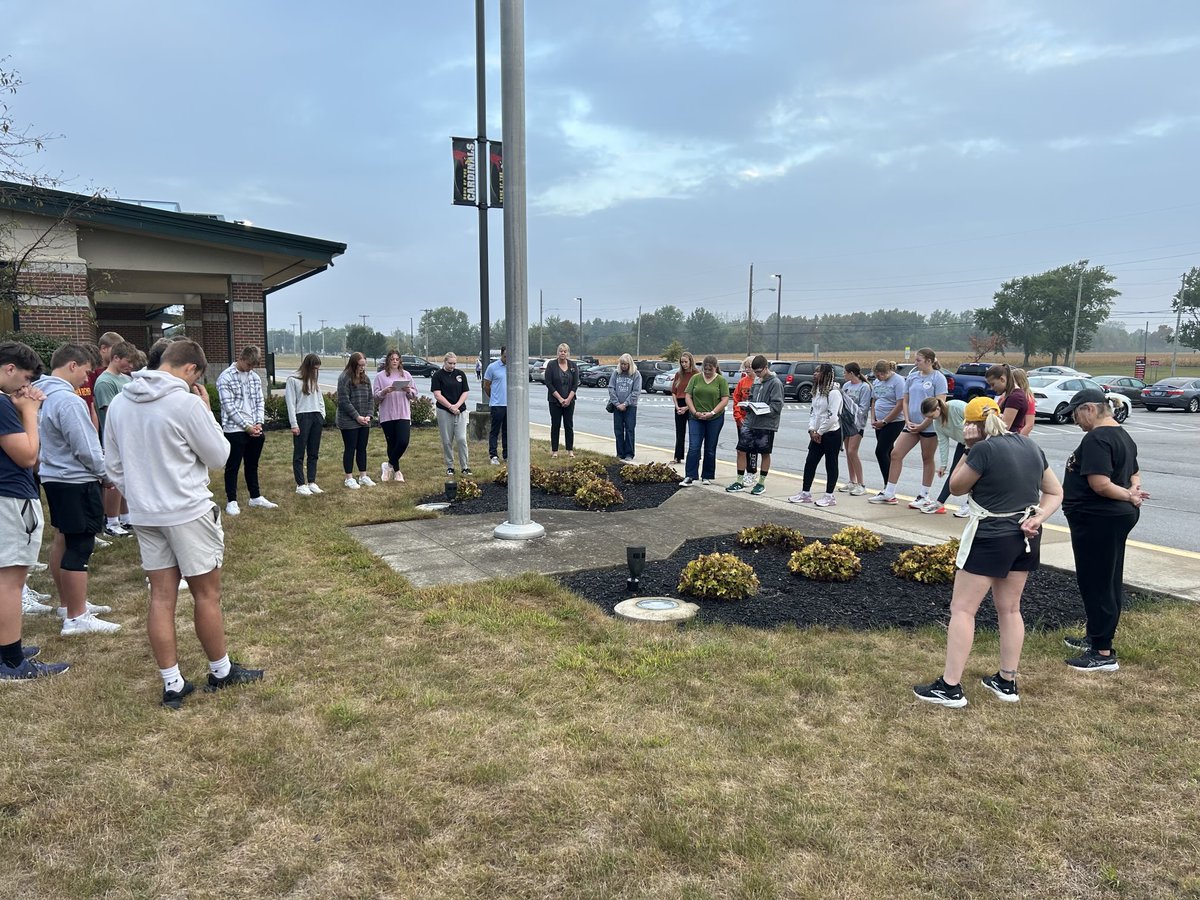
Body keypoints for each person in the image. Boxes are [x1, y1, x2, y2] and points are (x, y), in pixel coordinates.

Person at [104, 338, 264, 708]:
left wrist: (141, 495)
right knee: (206, 594)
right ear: (191, 369)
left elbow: (111, 465)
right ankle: (221, 671)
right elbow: (219, 455)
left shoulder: (122, 401)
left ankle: (172, 682)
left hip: (146, 514)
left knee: (160, 597)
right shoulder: (187, 404)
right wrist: (207, 410)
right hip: (188, 511)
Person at [913, 397, 1063, 707]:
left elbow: (955, 487)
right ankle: (1006, 681)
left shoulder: (982, 449)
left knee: (963, 609)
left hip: (991, 535)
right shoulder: (1029, 445)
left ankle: (950, 686)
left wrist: (967, 449)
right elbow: (1054, 491)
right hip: (1026, 532)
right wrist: (1038, 518)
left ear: (971, 425)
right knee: (1009, 609)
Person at [1059, 388, 1148, 672]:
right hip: (1109, 517)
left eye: (1075, 414)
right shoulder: (1121, 434)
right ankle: (1096, 635)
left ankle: (1102, 652)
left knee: (1097, 581)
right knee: (1107, 576)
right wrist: (1133, 488)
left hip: (1098, 517)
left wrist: (1129, 495)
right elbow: (1134, 471)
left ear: (1089, 409)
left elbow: (1100, 484)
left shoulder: (1097, 437)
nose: (1076, 421)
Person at [35, 343, 119, 636]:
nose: (87, 379)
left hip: (54, 477)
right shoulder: (68, 401)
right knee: (80, 545)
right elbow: (86, 447)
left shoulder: (40, 394)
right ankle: (77, 617)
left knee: (63, 538)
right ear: (72, 365)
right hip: (74, 480)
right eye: (85, 371)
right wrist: (106, 475)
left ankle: (69, 604)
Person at [0, 341, 71, 682]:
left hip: (7, 497)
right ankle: (11, 661)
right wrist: (30, 412)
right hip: (11, 498)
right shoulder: (1, 404)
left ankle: (5, 649)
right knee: (11, 581)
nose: (28, 388)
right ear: (9, 369)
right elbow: (28, 456)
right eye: (25, 378)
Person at [870, 349, 947, 508]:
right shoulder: (912, 377)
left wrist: (922, 425)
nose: (915, 363)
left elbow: (939, 404)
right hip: (911, 424)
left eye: (918, 360)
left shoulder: (938, 378)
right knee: (896, 454)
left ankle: (924, 495)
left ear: (929, 361)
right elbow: (905, 401)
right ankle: (889, 492)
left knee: (927, 458)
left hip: (929, 426)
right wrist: (907, 420)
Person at [217, 346, 277, 515]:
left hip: (254, 428)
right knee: (233, 466)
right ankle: (232, 500)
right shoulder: (225, 378)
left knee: (252, 464)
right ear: (241, 358)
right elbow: (229, 407)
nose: (251, 369)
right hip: (234, 429)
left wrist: (258, 422)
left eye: (254, 366)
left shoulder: (255, 378)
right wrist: (246, 427)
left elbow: (259, 402)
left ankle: (255, 497)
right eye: (249, 365)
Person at [93, 340, 137, 535]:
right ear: (115, 358)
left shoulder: (126, 380)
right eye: (127, 361)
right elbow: (111, 412)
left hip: (129, 438)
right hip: (114, 439)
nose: (131, 366)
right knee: (113, 483)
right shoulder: (105, 382)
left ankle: (126, 518)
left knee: (127, 480)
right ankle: (111, 522)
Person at [728, 354, 782, 496]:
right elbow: (751, 398)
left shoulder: (775, 383)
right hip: (750, 422)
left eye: (759, 372)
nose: (757, 375)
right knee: (741, 450)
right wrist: (748, 406)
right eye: (755, 372)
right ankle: (739, 481)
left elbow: (777, 406)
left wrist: (762, 409)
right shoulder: (757, 381)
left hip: (766, 424)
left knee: (764, 452)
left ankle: (761, 483)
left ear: (766, 368)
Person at [790, 362, 843, 507]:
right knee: (810, 462)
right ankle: (805, 492)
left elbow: (832, 417)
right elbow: (814, 412)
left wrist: (819, 432)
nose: (815, 374)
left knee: (831, 464)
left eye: (818, 372)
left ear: (826, 375)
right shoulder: (817, 391)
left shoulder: (833, 393)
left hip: (831, 434)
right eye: (815, 371)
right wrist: (812, 429)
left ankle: (829, 496)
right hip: (816, 434)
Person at [680, 354, 729, 486]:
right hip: (696, 417)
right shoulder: (695, 379)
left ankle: (707, 475)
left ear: (715, 368)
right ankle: (690, 475)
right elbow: (688, 396)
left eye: (710, 370)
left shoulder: (721, 381)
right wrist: (694, 411)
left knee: (710, 447)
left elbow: (725, 399)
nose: (707, 372)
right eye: (705, 370)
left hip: (714, 418)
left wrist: (712, 412)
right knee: (694, 446)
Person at [917, 396, 970, 517]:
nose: (930, 419)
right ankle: (940, 503)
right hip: (963, 443)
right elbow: (943, 442)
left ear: (937, 408)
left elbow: (976, 422)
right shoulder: (937, 423)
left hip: (980, 442)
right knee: (954, 471)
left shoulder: (956, 406)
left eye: (931, 416)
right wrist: (943, 465)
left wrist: (970, 446)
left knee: (974, 473)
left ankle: (969, 505)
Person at [374, 349, 419, 481]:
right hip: (387, 414)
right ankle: (397, 471)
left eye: (397, 359)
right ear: (388, 361)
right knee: (392, 443)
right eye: (392, 359)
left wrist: (408, 390)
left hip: (403, 413)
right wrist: (384, 391)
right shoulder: (380, 376)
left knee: (403, 441)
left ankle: (388, 465)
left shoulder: (406, 375)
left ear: (400, 361)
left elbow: (414, 394)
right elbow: (376, 397)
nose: (394, 361)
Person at [286, 353, 326, 496]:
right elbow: (290, 403)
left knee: (313, 452)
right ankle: (300, 484)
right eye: (314, 369)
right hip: (302, 417)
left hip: (315, 416)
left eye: (318, 369)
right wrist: (294, 424)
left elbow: (319, 398)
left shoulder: (314, 379)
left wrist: (322, 414)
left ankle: (311, 481)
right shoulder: (293, 379)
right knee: (299, 452)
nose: (316, 371)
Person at [337, 352, 377, 488]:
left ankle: (363, 476)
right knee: (350, 448)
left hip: (364, 419)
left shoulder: (365, 378)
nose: (362, 368)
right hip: (348, 421)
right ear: (353, 364)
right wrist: (357, 416)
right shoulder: (344, 378)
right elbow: (344, 401)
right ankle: (348, 477)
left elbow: (371, 398)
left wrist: (369, 415)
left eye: (364, 365)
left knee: (362, 448)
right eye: (360, 365)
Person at [430, 352, 471, 476]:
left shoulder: (460, 374)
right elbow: (437, 394)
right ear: (445, 362)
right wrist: (450, 407)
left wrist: (457, 405)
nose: (452, 366)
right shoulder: (438, 375)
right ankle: (450, 466)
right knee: (447, 440)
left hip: (460, 411)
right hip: (444, 411)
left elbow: (465, 392)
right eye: (450, 363)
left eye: (454, 363)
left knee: (461, 438)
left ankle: (465, 466)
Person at [869, 360, 906, 490]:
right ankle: (891, 485)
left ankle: (888, 486)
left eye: (880, 375)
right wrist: (873, 417)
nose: (878, 378)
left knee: (880, 451)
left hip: (894, 421)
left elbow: (900, 404)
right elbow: (874, 400)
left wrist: (885, 421)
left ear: (887, 372)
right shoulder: (877, 382)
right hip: (879, 421)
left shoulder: (898, 381)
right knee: (888, 451)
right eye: (876, 376)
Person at [837, 362, 872, 496]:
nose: (844, 375)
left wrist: (851, 408)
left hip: (857, 424)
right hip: (846, 422)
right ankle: (852, 481)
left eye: (845, 372)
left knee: (853, 451)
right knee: (848, 452)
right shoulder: (846, 386)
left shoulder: (864, 387)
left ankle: (861, 484)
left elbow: (863, 408)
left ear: (851, 373)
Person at [545, 343, 579, 458]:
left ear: (568, 353)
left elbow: (575, 384)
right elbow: (548, 383)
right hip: (554, 401)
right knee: (555, 425)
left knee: (568, 425)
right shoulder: (551, 365)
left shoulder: (573, 366)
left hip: (569, 400)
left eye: (565, 351)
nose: (562, 353)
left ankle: (570, 450)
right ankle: (555, 451)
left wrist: (569, 399)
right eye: (560, 351)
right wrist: (559, 399)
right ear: (557, 352)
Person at [730, 357, 758, 488]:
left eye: (750, 367)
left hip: (755, 421)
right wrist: (738, 417)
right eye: (746, 367)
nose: (748, 370)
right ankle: (744, 473)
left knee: (753, 448)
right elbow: (736, 400)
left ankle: (752, 473)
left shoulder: (759, 382)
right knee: (742, 448)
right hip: (742, 420)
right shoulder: (742, 382)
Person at [608, 353, 641, 461]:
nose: (623, 366)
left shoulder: (636, 374)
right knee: (618, 430)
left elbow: (636, 391)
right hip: (617, 406)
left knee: (629, 429)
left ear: (630, 364)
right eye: (621, 364)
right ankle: (620, 453)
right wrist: (617, 403)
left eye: (625, 364)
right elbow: (611, 388)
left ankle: (629, 453)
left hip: (630, 407)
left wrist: (625, 403)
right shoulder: (616, 373)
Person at [670, 352, 698, 465]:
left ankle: (695, 457)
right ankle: (678, 456)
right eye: (682, 362)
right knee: (680, 432)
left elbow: (697, 394)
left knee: (694, 432)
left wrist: (687, 408)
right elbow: (673, 391)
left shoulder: (696, 374)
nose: (684, 364)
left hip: (691, 404)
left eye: (686, 362)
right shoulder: (678, 374)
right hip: (679, 403)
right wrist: (677, 406)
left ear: (691, 361)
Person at [482, 348, 508, 465]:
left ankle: (507, 455)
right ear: (501, 355)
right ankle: (493, 455)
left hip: (510, 405)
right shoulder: (492, 367)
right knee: (495, 431)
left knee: (508, 431)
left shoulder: (513, 367)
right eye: (505, 356)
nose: (507, 359)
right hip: (497, 404)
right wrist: (493, 396)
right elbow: (486, 385)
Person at [986, 363, 1029, 434]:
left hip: (1009, 441)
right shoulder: (1010, 394)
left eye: (993, 384)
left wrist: (990, 415)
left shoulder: (1015, 397)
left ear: (1002, 379)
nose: (992, 388)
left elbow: (1004, 427)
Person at [1011, 367, 1036, 436]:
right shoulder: (1011, 395)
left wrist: (1019, 438)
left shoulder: (1028, 398)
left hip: (1018, 436)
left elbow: (1029, 424)